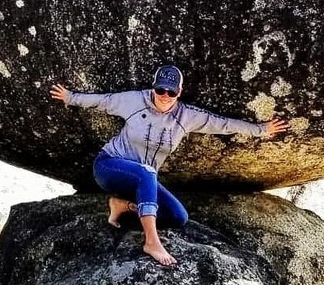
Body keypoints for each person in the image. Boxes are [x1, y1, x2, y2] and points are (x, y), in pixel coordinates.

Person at [50, 65, 290, 266]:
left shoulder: (186, 117)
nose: (164, 96)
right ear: (154, 87)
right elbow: (103, 101)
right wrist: (70, 97)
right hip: (109, 167)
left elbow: (223, 124)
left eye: (171, 92)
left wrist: (260, 130)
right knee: (147, 173)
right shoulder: (135, 101)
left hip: (143, 180)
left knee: (178, 216)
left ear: (179, 92)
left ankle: (122, 205)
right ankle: (152, 242)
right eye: (160, 90)